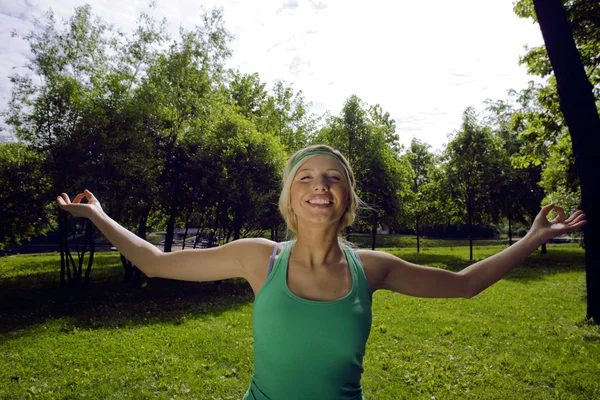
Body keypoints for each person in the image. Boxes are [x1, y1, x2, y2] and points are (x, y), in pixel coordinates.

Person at [56, 144, 586, 400]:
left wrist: (531, 238)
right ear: (290, 196)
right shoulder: (258, 258)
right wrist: (98, 215)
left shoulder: (372, 268)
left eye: (333, 177)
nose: (320, 184)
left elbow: (465, 285)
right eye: (305, 176)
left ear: (347, 198)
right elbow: (155, 262)